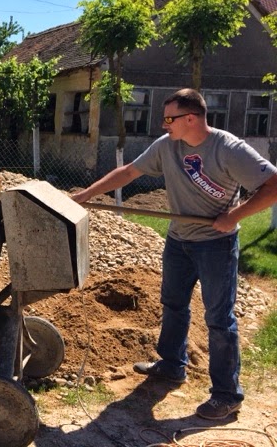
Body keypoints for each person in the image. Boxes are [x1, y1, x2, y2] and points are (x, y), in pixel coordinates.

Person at [71, 88, 277, 421]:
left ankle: (227, 395)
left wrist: (235, 216)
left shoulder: (229, 149)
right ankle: (171, 365)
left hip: (216, 245)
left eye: (169, 118)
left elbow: (273, 185)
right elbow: (129, 172)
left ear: (191, 118)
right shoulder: (167, 146)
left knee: (219, 319)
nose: (164, 125)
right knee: (173, 304)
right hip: (179, 241)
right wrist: (85, 195)